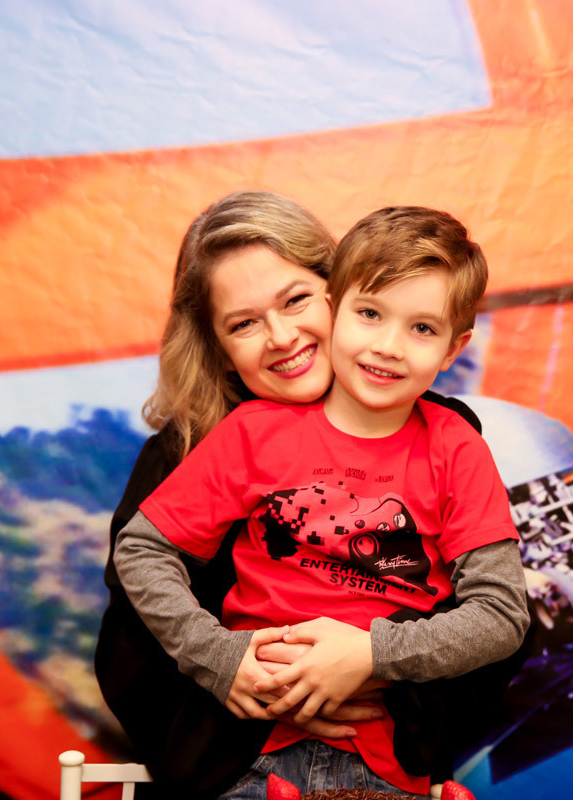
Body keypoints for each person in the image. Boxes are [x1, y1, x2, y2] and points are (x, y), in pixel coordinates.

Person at [95, 192, 514, 800]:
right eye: (243, 323)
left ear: (328, 294)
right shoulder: (232, 438)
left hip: (386, 756)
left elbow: (501, 617)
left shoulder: (451, 442)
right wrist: (227, 663)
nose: (282, 336)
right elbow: (140, 574)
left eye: (295, 301)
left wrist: (371, 660)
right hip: (241, 752)